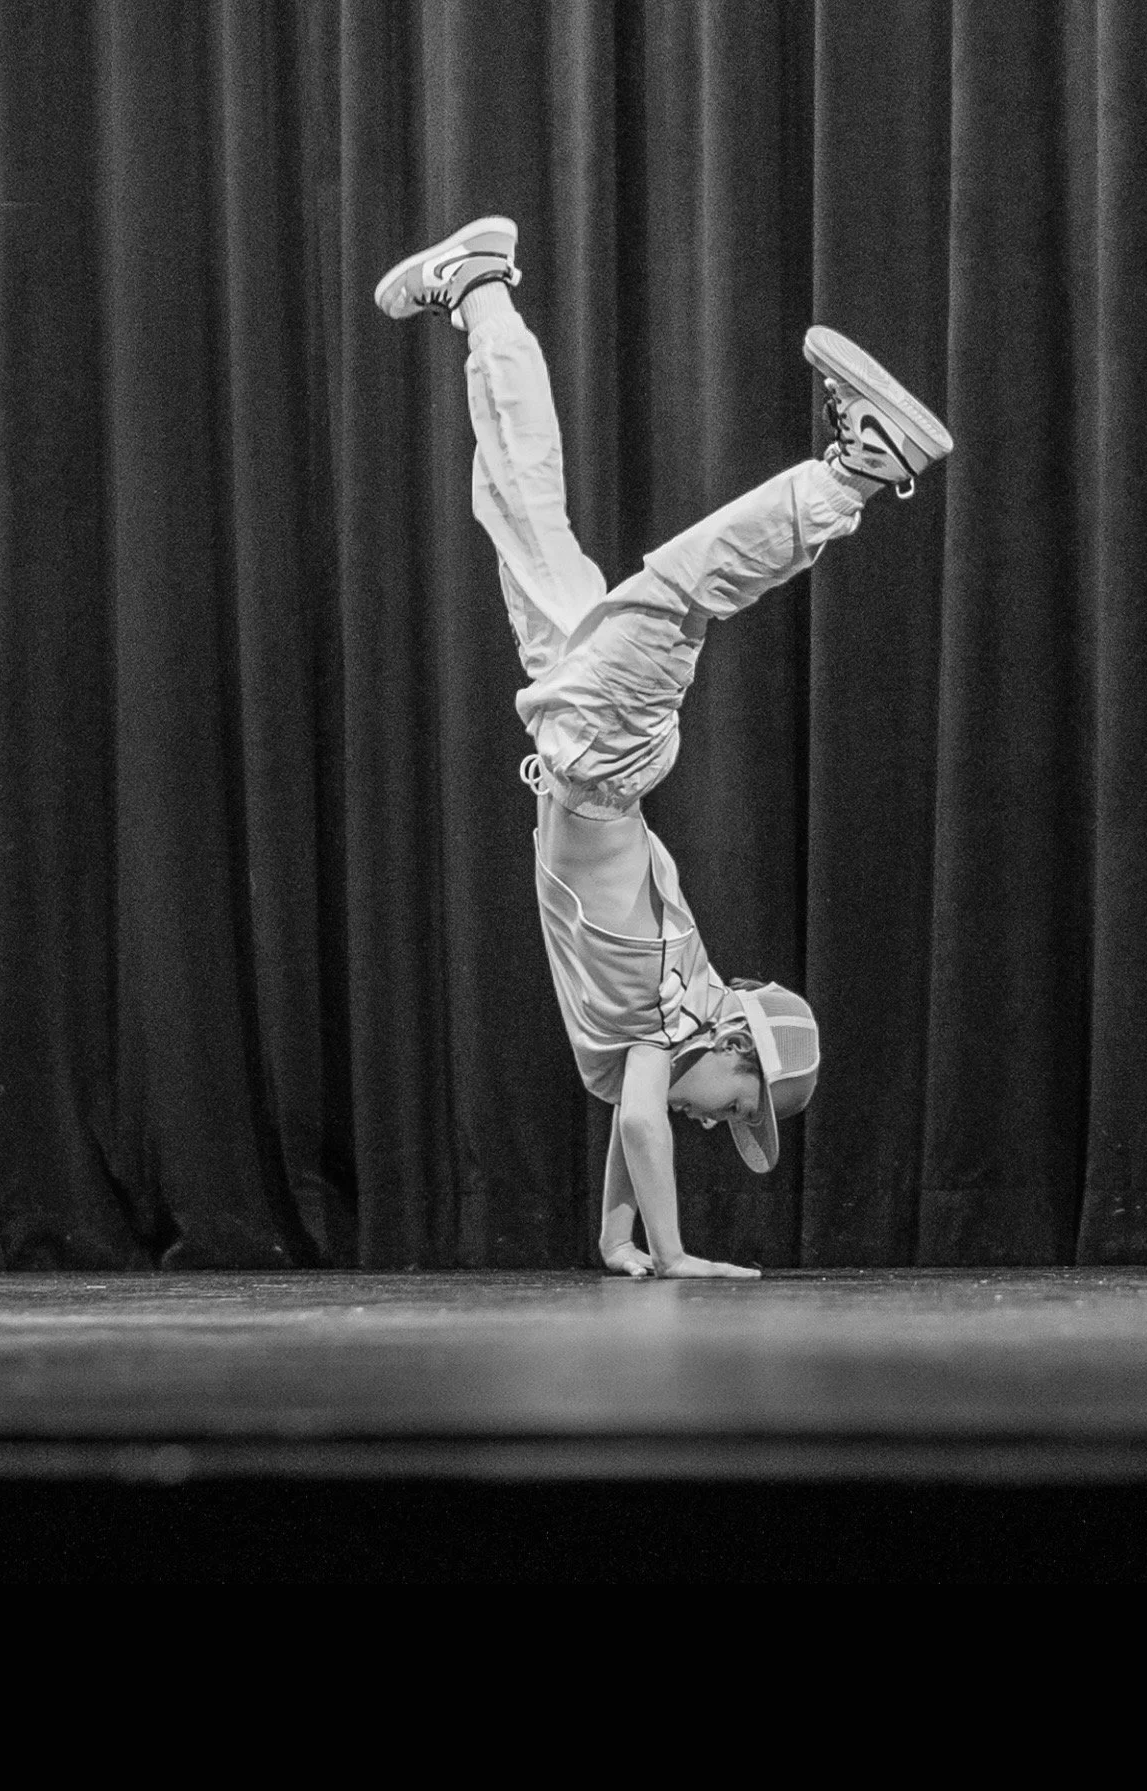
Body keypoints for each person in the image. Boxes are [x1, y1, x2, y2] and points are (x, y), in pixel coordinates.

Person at [374, 217, 952, 1280]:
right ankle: (861, 470)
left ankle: (481, 289)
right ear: (737, 1049)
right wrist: (676, 1252)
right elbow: (645, 1123)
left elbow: (630, 1121)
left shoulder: (649, 1035)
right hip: (600, 754)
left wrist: (613, 1237)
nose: (710, 1125)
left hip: (578, 742)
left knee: (518, 506)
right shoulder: (668, 1015)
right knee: (683, 589)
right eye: (739, 1108)